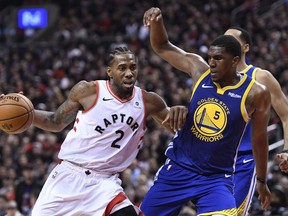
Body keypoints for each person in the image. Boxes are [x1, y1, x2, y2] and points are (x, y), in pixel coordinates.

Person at [2, 46, 187, 216]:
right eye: (122, 68)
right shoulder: (88, 91)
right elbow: (55, 122)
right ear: (110, 72)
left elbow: (177, 126)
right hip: (68, 176)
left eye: (133, 67)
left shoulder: (149, 101)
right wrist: (29, 114)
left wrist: (182, 112)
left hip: (104, 183)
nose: (129, 73)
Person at [141, 7, 271, 216]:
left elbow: (259, 139)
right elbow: (162, 46)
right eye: (210, 57)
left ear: (235, 61)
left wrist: (262, 180)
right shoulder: (200, 71)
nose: (211, 63)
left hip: (216, 178)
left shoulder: (256, 93)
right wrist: (157, 21)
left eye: (218, 58)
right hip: (179, 169)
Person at [224, 27, 288, 215]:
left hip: (244, 160)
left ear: (245, 47)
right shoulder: (213, 76)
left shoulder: (260, 77)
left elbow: (286, 115)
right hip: (213, 159)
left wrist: (286, 149)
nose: (225, 43)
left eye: (231, 39)